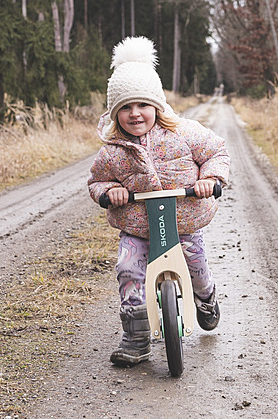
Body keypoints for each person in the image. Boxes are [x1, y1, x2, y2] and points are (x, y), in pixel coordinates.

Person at [87, 36, 230, 367]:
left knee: (195, 264)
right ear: (114, 114)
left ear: (157, 106)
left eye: (142, 105)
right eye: (125, 108)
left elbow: (216, 152)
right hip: (137, 227)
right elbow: (97, 180)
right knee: (128, 270)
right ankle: (136, 338)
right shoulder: (112, 151)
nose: (135, 114)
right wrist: (110, 193)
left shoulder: (184, 133)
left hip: (183, 220)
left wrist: (210, 179)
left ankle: (205, 298)